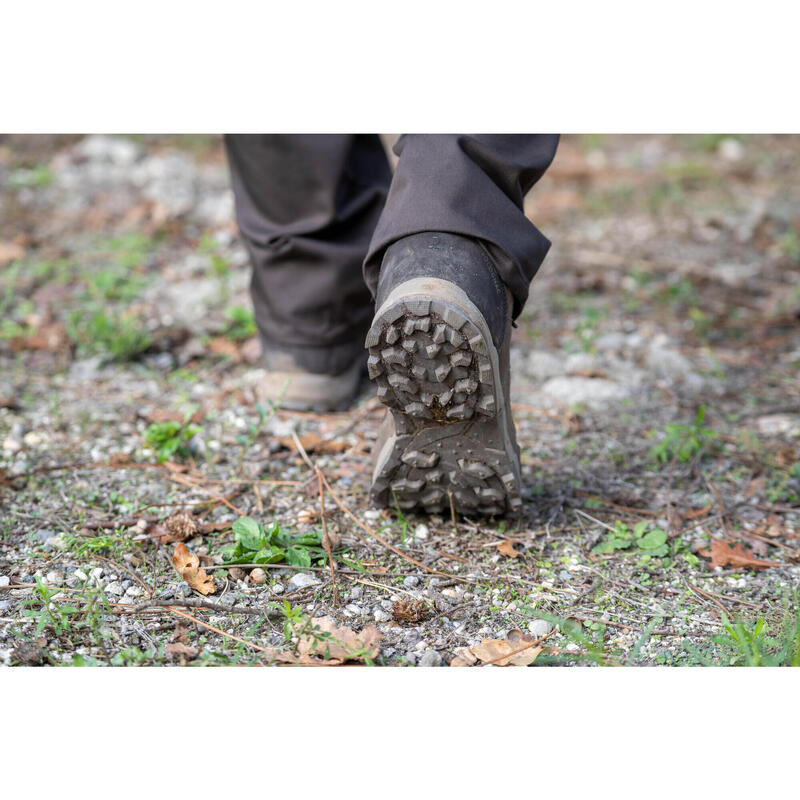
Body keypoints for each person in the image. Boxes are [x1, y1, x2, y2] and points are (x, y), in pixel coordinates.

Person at [225, 134, 559, 517]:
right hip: (461, 229)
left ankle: (310, 315)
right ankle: (451, 241)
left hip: (290, 285)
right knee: (460, 170)